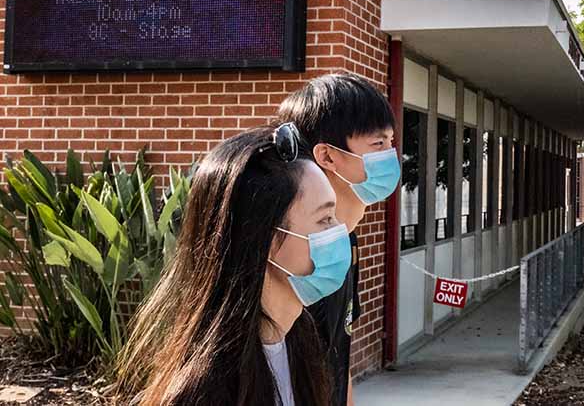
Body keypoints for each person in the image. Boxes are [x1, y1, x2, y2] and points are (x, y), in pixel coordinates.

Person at [115, 124, 352, 406]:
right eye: (324, 219)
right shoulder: (205, 392)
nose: (340, 230)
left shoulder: (299, 344)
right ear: (266, 240)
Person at [277, 72, 399, 406]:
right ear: (327, 156)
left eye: (391, 143)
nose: (391, 156)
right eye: (378, 144)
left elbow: (336, 355)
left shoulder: (344, 244)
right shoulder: (297, 257)